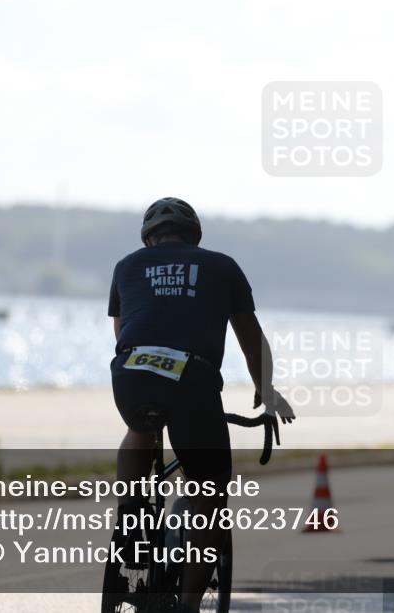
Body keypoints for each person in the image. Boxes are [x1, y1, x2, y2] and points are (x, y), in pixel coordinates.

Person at [102, 197, 294, 613]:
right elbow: (250, 338)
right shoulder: (222, 267)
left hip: (131, 373)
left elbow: (124, 333)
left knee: (140, 428)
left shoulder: (126, 266)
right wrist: (266, 390)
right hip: (191, 380)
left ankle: (130, 519)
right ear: (194, 236)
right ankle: (188, 605)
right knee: (211, 491)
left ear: (149, 238)